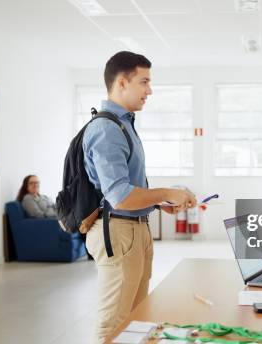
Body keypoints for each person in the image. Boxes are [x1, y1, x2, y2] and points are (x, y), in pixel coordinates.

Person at [82, 51, 197, 343]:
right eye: (144, 82)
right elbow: (120, 196)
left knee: (135, 319)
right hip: (119, 232)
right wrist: (169, 192)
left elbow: (121, 187)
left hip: (132, 230)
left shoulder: (123, 124)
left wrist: (159, 203)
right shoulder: (107, 129)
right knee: (114, 322)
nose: (150, 90)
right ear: (122, 82)